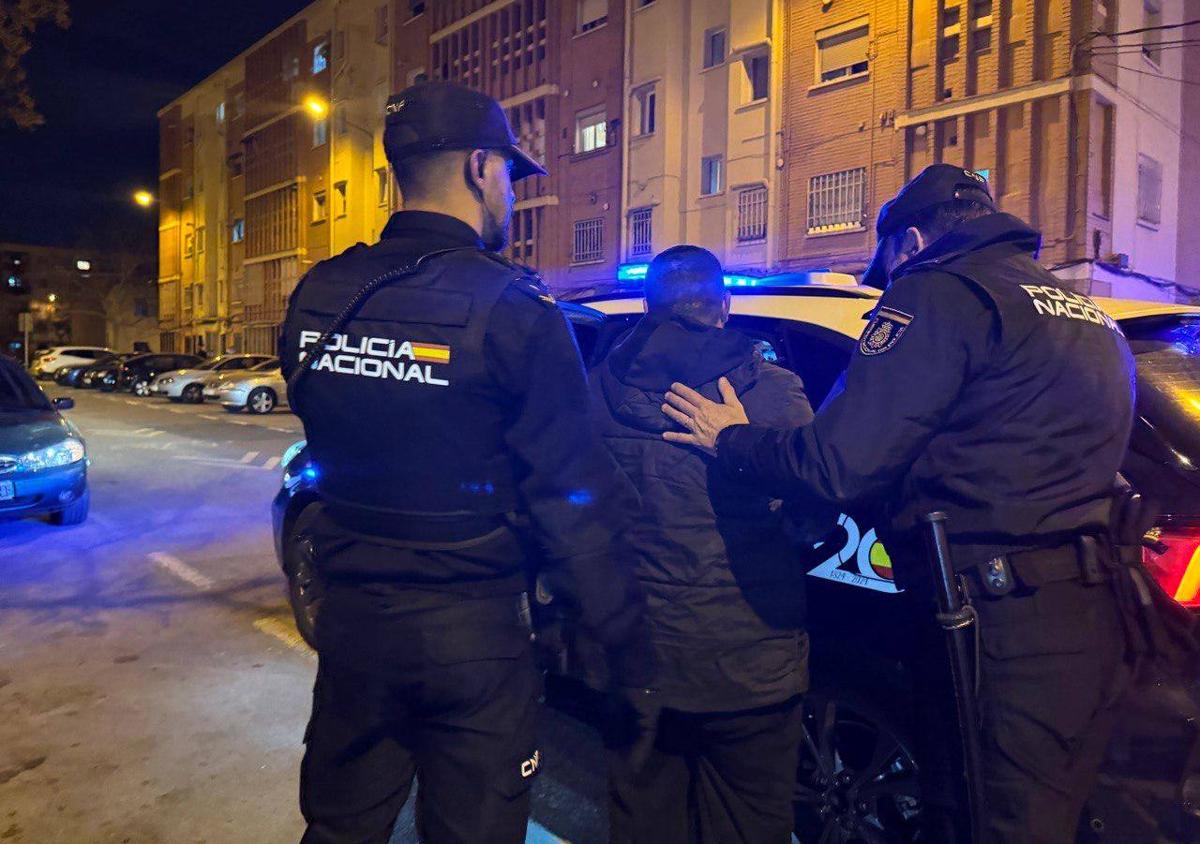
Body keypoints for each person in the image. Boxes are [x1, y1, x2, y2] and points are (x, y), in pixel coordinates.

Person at [660, 164, 1138, 842]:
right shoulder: (1083, 312)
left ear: (909, 242)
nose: (888, 284)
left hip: (993, 622)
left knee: (978, 819)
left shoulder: (940, 295)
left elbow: (835, 464)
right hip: (1094, 618)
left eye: (887, 268)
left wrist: (730, 437)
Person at [279, 80, 645, 844]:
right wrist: (620, 636)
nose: (510, 192)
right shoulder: (515, 308)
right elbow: (572, 493)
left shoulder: (320, 293)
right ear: (481, 167)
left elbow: (328, 425)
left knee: (339, 827)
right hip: (471, 637)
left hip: (353, 626)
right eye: (509, 173)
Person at [590, 245, 814, 843]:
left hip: (638, 657)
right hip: (751, 662)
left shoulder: (594, 389)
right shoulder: (773, 392)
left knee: (644, 823)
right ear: (726, 306)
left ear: (645, 305)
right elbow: (816, 511)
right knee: (749, 826)